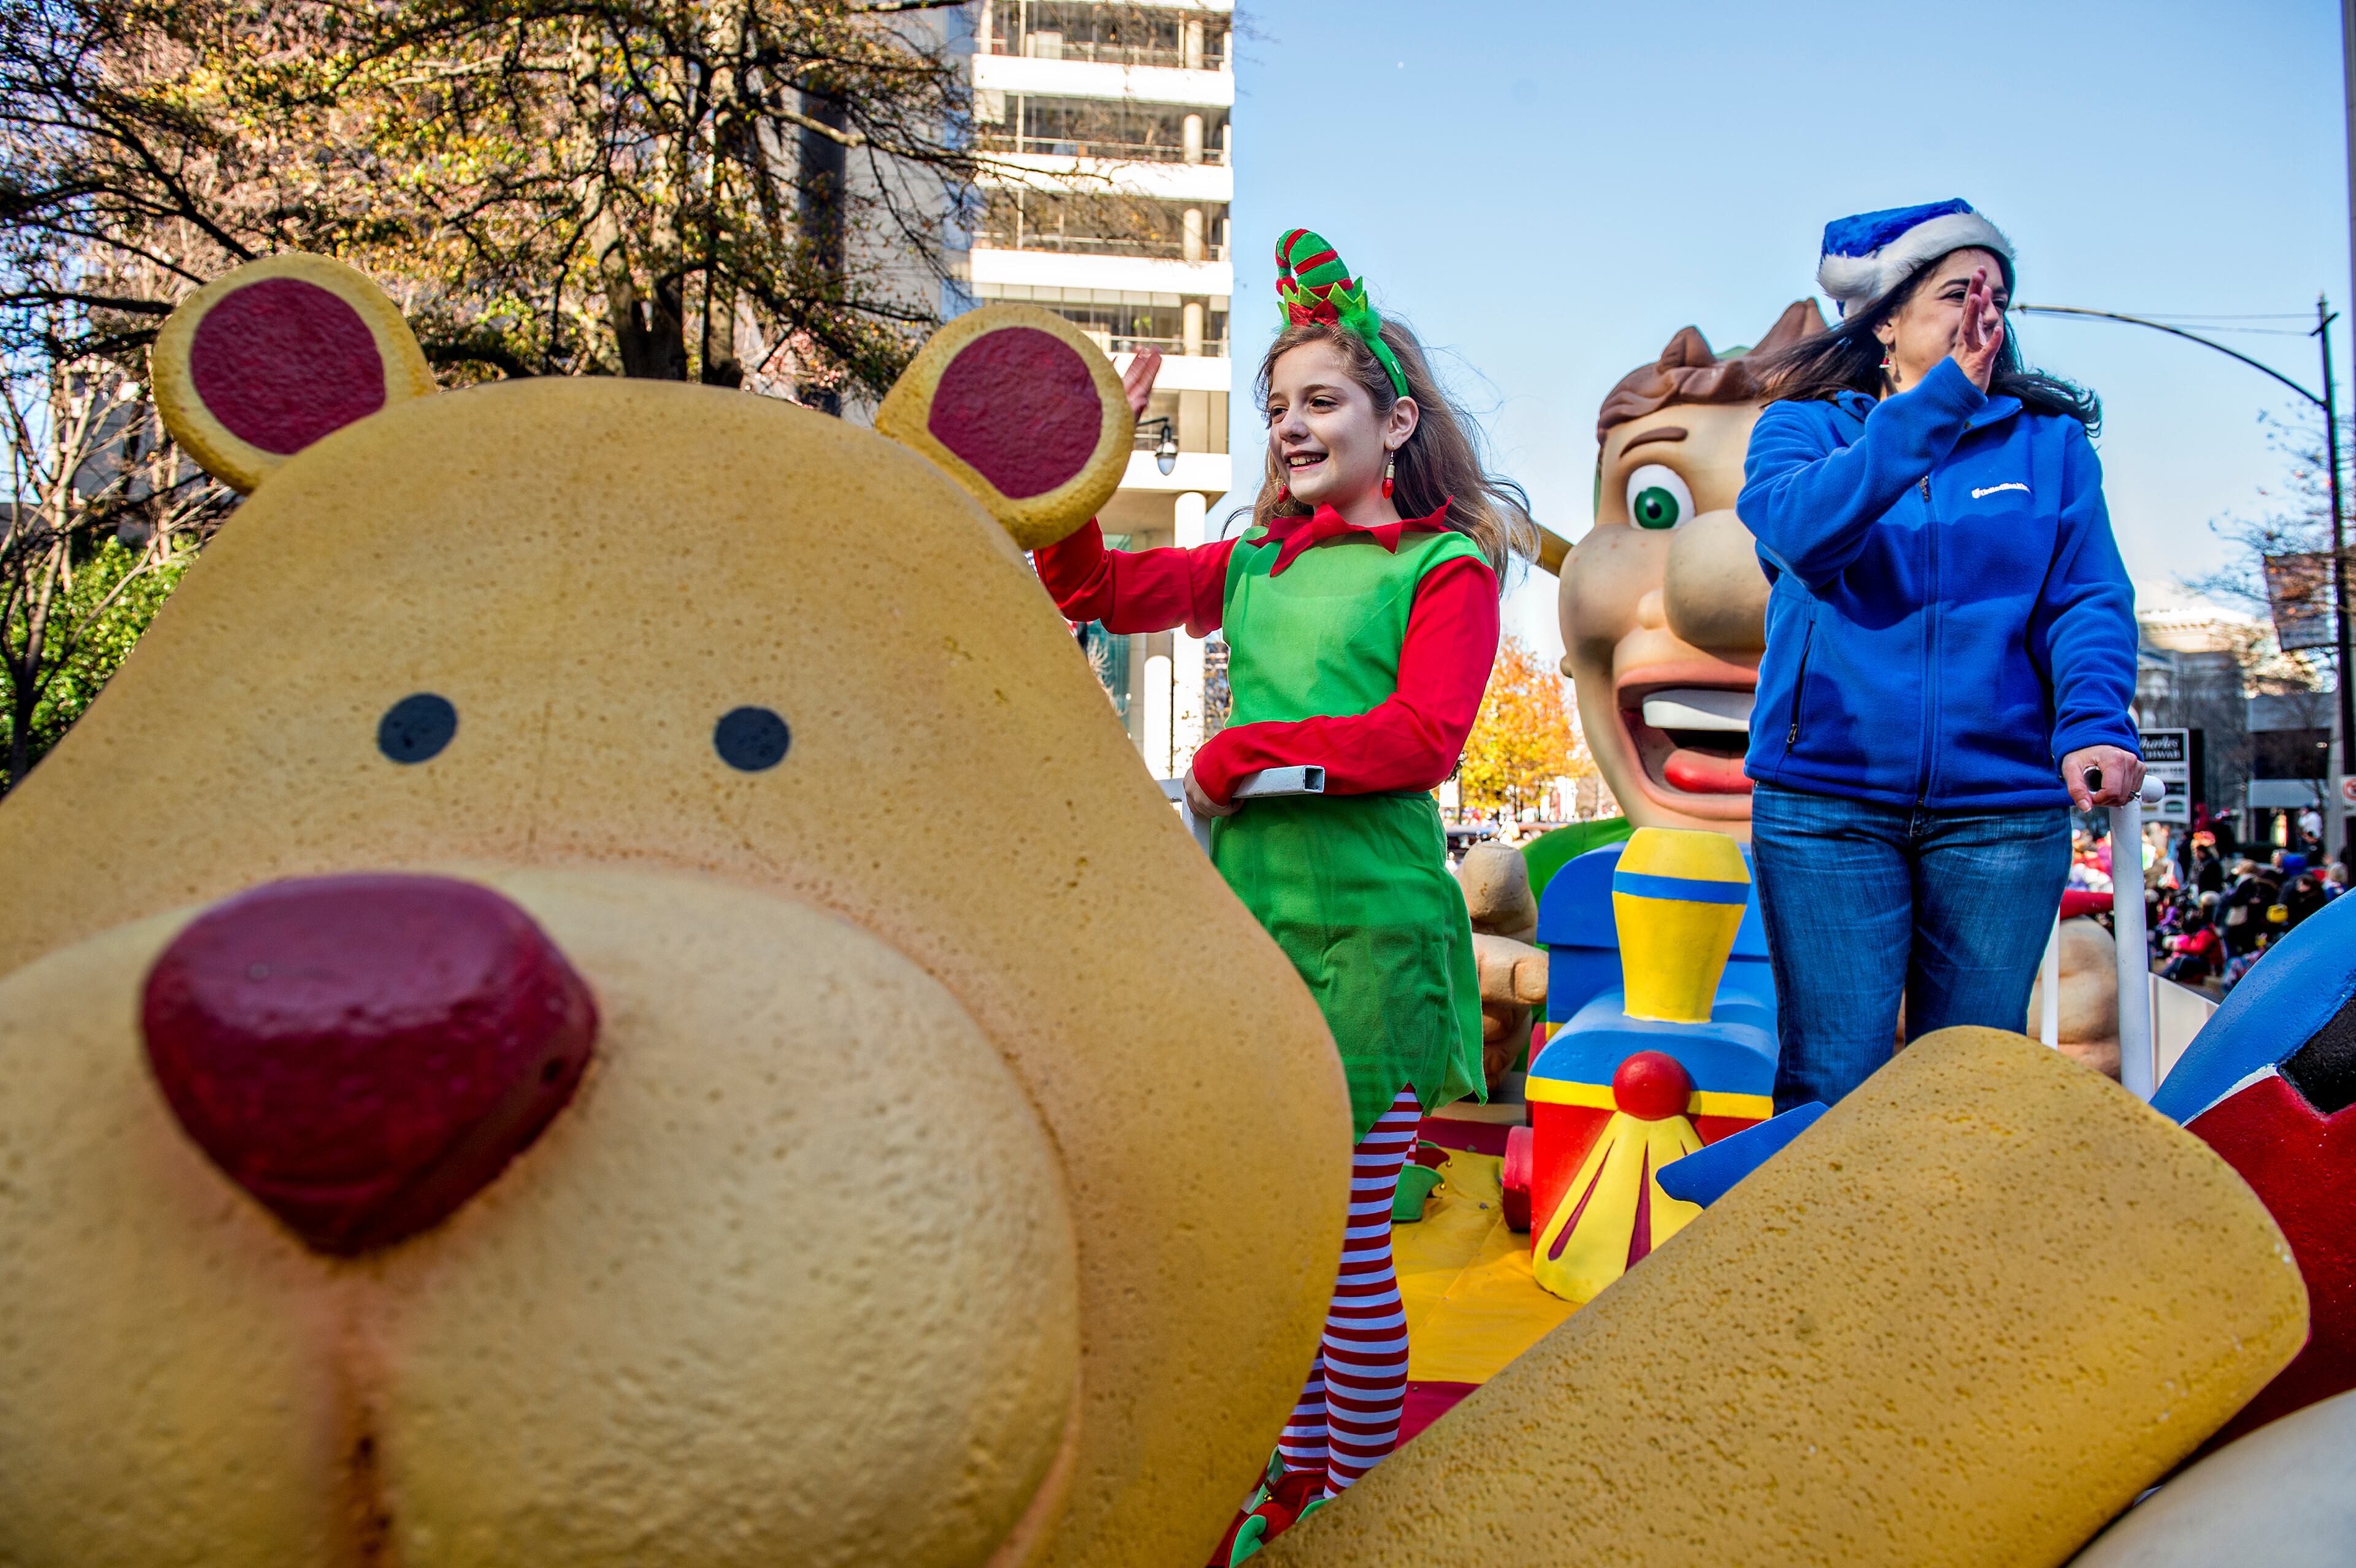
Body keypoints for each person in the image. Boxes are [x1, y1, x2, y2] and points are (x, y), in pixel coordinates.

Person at [1033, 229, 1530, 1539]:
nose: (1293, 428)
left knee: (1348, 1247)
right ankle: (1295, 1479)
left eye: (1321, 402)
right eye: (1277, 408)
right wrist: (1099, 454)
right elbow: (1092, 587)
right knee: (1286, 1242)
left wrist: (1241, 757)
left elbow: (1423, 737)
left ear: (1394, 419)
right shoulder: (1254, 559)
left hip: (1371, 940)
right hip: (1253, 938)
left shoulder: (1449, 567)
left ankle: (1363, 1508)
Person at [1736, 200, 2144, 1111]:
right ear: (1884, 317)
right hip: (1828, 806)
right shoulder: (1804, 431)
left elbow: (2086, 601)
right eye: (1959, 293)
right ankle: (1822, 1259)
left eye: (1998, 298)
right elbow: (1805, 536)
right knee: (1832, 1083)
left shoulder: (2053, 447)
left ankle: (1943, 1260)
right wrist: (1937, 407)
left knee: (1965, 1094)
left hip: (2001, 816)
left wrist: (2092, 724)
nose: (1982, 317)